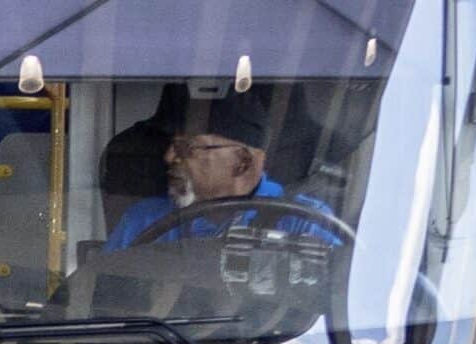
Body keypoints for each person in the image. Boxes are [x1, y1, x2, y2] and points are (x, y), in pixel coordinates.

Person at [105, 90, 339, 250]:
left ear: (243, 162)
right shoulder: (144, 219)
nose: (169, 157)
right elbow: (102, 294)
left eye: (185, 147)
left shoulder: (303, 222)